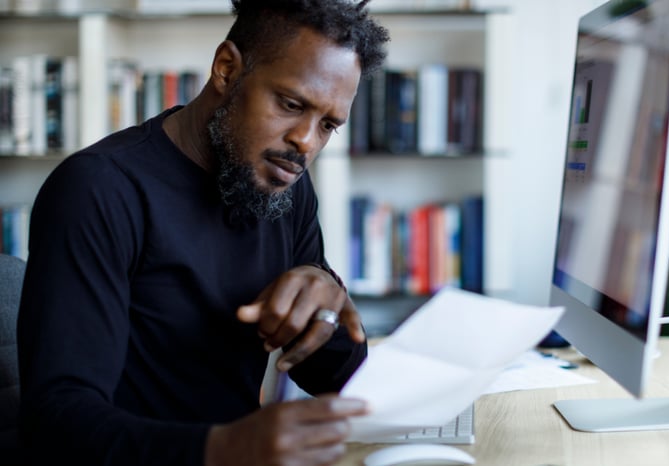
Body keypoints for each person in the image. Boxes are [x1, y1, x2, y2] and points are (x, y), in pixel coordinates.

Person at [16, 0, 390, 464]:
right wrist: (221, 448)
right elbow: (58, 421)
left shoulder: (283, 182)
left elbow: (340, 379)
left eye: (328, 125)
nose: (306, 142)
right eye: (291, 104)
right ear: (227, 68)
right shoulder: (100, 188)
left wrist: (329, 307)